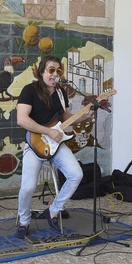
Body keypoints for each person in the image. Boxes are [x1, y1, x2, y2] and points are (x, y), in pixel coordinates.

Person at [15, 55, 86, 238]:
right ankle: (24, 221)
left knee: (76, 174)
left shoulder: (61, 93)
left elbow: (66, 117)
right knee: (28, 187)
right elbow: (21, 119)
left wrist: (86, 114)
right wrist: (48, 132)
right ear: (41, 72)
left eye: (58, 70)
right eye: (51, 70)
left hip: (56, 144)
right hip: (35, 144)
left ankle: (53, 210)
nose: (55, 74)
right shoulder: (30, 90)